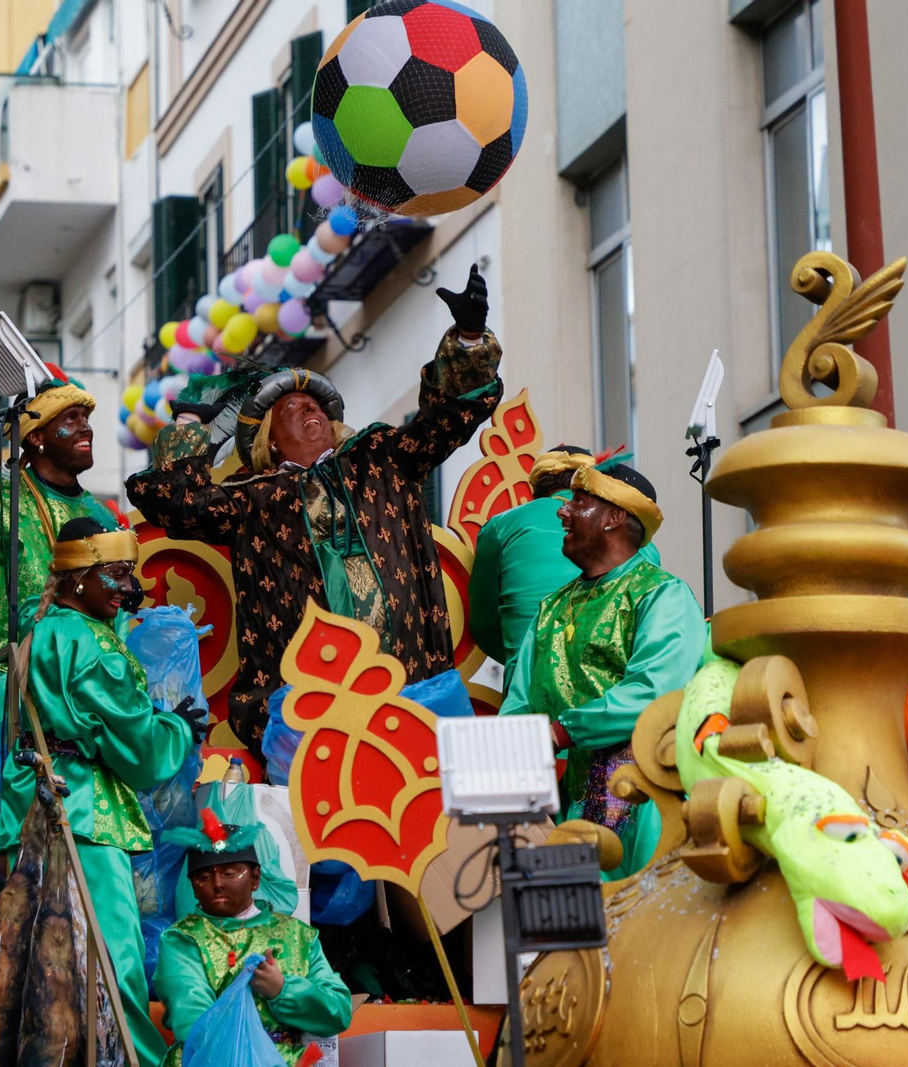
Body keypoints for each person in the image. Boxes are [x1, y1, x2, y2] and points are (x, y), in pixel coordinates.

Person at [126, 266, 503, 759]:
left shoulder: (381, 457)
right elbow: (174, 500)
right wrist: (190, 418)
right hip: (307, 713)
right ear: (268, 440)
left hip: (416, 692)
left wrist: (469, 338)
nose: (311, 411)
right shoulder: (251, 497)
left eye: (317, 406)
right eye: (293, 407)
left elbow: (447, 419)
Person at [0, 517, 207, 1067]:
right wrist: (178, 728)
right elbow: (137, 746)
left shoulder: (41, 629)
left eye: (129, 574)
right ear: (79, 577)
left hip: (32, 806)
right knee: (115, 960)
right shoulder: (88, 642)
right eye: (116, 574)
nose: (128, 588)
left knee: (44, 967)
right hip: (83, 811)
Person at [0, 372, 119, 834]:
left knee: (76, 838)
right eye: (71, 418)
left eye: (87, 417)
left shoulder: (103, 518)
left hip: (79, 704)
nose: (86, 427)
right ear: (35, 436)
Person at [501, 457, 706, 877]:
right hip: (565, 808)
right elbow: (519, 703)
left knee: (638, 912)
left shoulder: (661, 594)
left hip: (645, 804)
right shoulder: (550, 609)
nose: (562, 510)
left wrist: (561, 732)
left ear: (614, 518)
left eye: (578, 501)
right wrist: (505, 753)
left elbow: (655, 693)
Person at [154, 812, 352, 1067]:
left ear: (255, 878)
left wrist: (282, 990)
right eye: (204, 878)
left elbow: (338, 1010)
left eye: (229, 873)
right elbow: (195, 1021)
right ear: (193, 887)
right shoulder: (182, 939)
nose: (217, 884)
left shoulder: (298, 936)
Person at [468, 444, 594, 671]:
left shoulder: (501, 525)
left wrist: (519, 656)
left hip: (526, 681)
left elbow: (483, 623)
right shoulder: (627, 536)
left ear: (535, 492)